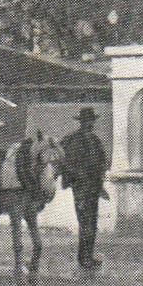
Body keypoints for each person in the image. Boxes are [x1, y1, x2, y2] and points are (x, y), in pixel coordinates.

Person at [59, 106, 109, 270]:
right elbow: (66, 163)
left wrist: (100, 184)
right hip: (81, 187)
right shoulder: (73, 140)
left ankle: (88, 256)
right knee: (85, 222)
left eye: (91, 121)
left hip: (93, 187)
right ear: (81, 122)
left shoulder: (95, 140)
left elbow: (102, 163)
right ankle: (83, 258)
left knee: (92, 223)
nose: (90, 124)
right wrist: (79, 177)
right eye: (87, 121)